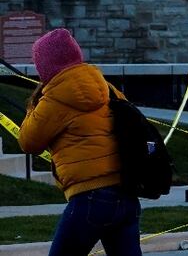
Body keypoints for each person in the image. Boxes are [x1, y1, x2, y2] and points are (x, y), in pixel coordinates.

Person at [18, 28, 141, 256]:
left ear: (45, 66)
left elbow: (28, 141)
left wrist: (34, 103)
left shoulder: (55, 97)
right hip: (126, 194)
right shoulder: (107, 87)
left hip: (90, 196)